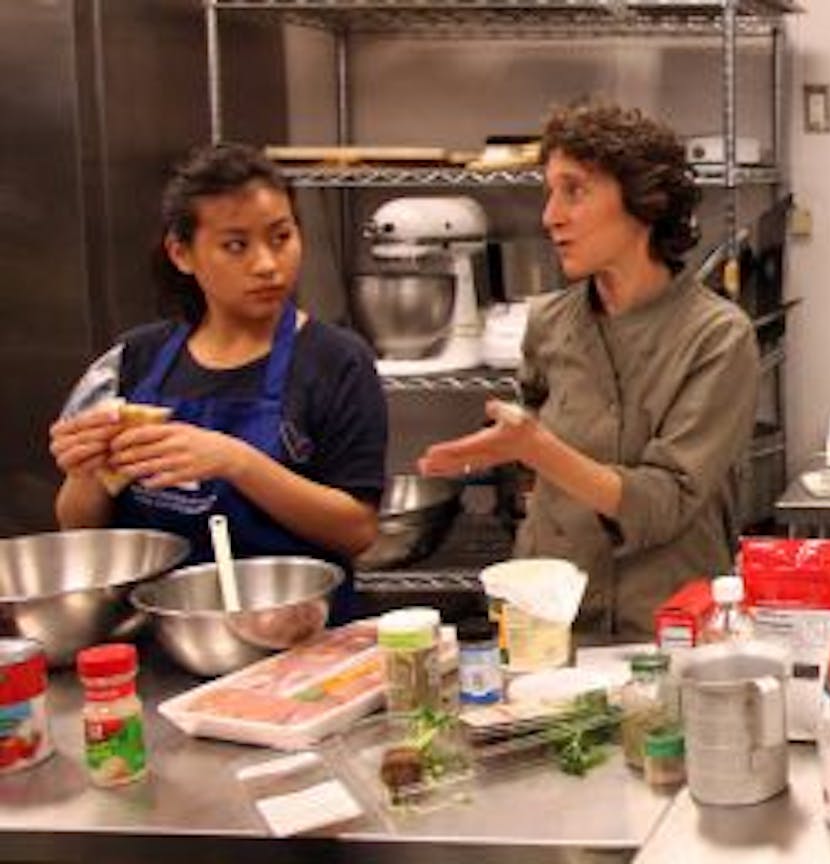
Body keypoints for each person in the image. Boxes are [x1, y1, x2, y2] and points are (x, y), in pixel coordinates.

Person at [418, 103, 758, 639]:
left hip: (664, 624)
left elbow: (664, 503)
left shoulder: (716, 336)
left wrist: (536, 448)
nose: (551, 216)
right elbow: (532, 441)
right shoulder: (549, 322)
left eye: (574, 191)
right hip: (554, 621)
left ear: (643, 201)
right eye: (549, 192)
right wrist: (512, 447)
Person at [47, 143, 387, 599]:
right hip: (157, 632)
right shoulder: (134, 360)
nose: (267, 264)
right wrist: (87, 471)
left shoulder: (337, 361)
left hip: (298, 632)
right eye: (235, 245)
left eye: (281, 237)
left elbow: (357, 531)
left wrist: (237, 463)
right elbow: (80, 528)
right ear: (181, 253)